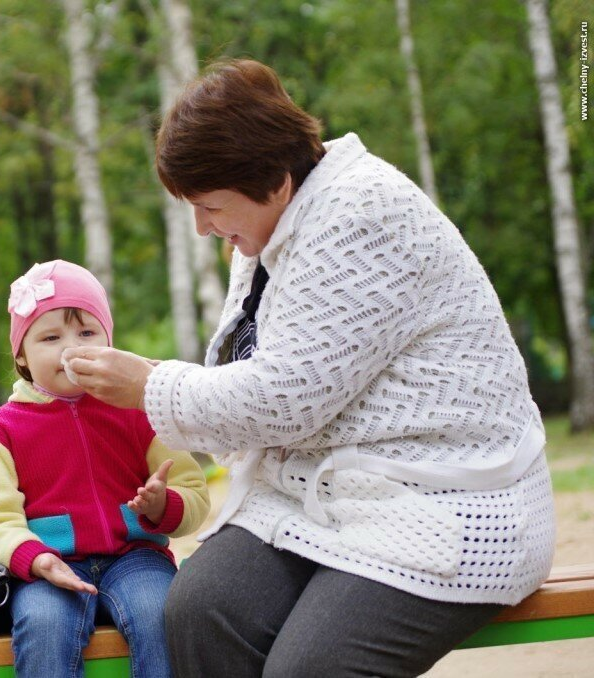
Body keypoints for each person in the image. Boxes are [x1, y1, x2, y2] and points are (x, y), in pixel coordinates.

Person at [62, 59, 555, 677]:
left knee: (311, 668)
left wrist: (149, 384)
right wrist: (157, 382)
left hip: (444, 496)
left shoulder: (361, 217)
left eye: (210, 206)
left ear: (271, 180)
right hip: (320, 492)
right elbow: (260, 374)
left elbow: (284, 399)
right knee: (199, 609)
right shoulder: (274, 224)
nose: (200, 227)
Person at [0, 260, 210, 678]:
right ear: (22, 356)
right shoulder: (0, 431)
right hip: (50, 565)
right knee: (42, 626)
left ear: (108, 342)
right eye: (50, 337)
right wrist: (35, 559)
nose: (71, 348)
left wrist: (162, 505)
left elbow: (194, 494)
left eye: (86, 332)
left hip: (137, 558)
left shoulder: (139, 409)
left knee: (160, 614)